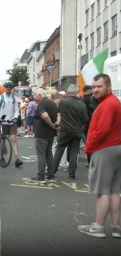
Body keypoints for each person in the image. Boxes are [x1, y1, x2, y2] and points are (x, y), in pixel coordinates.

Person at [78, 74, 121, 238]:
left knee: (103, 191)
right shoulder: (114, 102)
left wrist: (89, 147)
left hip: (105, 150)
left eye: (99, 86)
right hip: (115, 148)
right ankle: (116, 228)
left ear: (108, 86)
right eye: (94, 86)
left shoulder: (107, 105)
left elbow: (101, 131)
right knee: (114, 190)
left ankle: (98, 227)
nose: (95, 89)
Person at [52, 84, 88, 179]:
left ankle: (52, 172)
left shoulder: (62, 102)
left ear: (68, 92)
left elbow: (59, 113)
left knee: (59, 151)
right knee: (74, 152)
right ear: (77, 93)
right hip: (76, 131)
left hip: (64, 130)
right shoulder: (82, 105)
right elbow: (85, 119)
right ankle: (72, 173)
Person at [0, 80, 23, 168]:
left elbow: (16, 110)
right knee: (3, 139)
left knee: (14, 139)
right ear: (4, 88)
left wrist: (16, 117)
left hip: (11, 121)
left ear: (11, 88)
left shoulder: (13, 99)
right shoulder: (1, 98)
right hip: (2, 121)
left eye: (9, 87)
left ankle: (17, 158)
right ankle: (2, 156)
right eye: (6, 87)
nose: (8, 88)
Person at [31, 88, 58, 185]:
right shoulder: (52, 103)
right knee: (49, 154)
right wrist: (55, 125)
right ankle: (51, 175)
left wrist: (51, 124)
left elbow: (45, 116)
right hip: (50, 133)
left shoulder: (41, 104)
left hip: (42, 133)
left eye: (35, 95)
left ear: (39, 95)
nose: (34, 96)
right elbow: (59, 115)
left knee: (41, 155)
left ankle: (41, 176)